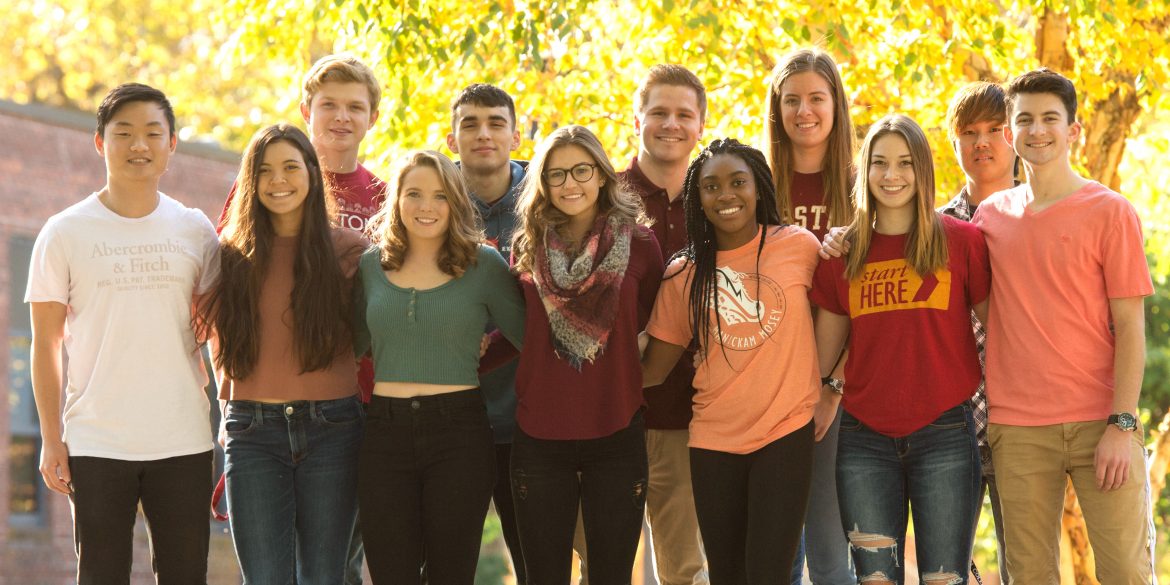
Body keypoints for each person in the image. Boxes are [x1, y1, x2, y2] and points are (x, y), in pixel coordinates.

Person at [26, 82, 219, 584]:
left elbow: (219, 332)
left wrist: (232, 420)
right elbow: (44, 344)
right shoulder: (64, 232)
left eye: (153, 133)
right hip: (96, 440)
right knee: (100, 575)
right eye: (124, 133)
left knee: (184, 575)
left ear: (172, 143)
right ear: (100, 142)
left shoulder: (196, 230)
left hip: (184, 437)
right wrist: (51, 439)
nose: (139, 145)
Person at [971, 68, 1155, 583]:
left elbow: (1130, 327)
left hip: (1102, 421)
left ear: (1073, 130)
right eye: (1024, 120)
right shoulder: (989, 218)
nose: (1037, 130)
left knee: (1124, 570)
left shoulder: (1110, 211)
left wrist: (1123, 423)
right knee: (1029, 575)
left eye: (1050, 118)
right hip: (1019, 427)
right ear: (1010, 134)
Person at [215, 53, 386, 584]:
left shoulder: (383, 202)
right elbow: (228, 311)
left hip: (345, 413)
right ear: (307, 110)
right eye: (328, 104)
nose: (340, 116)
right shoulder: (238, 234)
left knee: (333, 573)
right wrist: (227, 396)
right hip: (255, 420)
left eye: (354, 106)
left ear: (371, 117)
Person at [811, 115, 989, 585]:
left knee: (944, 579)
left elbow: (1002, 336)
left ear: (923, 171)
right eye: (880, 163)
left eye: (906, 163)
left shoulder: (962, 241)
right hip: (864, 438)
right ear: (864, 171)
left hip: (947, 433)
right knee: (875, 580)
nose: (892, 175)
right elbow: (821, 357)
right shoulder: (843, 255)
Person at [642, 138, 820, 585]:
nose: (726, 195)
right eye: (711, 186)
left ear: (758, 188)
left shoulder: (799, 246)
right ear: (696, 198)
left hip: (785, 430)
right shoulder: (684, 272)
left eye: (738, 182)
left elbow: (840, 315)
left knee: (769, 573)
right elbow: (654, 368)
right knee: (727, 574)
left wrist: (833, 385)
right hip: (713, 439)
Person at [355, 150, 526, 585]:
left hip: (459, 435)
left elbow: (530, 338)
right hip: (383, 434)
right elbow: (353, 346)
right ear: (397, 201)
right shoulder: (371, 266)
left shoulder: (484, 264)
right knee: (391, 574)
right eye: (413, 194)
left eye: (439, 196)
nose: (426, 207)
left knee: (452, 575)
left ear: (456, 202)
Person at [508, 125, 663, 585]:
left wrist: (637, 380)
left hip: (615, 429)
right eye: (557, 175)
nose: (570, 184)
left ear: (601, 175)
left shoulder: (639, 244)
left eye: (581, 170)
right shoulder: (526, 247)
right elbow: (521, 331)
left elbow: (657, 324)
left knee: (612, 575)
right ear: (542, 183)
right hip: (539, 435)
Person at [764, 47, 856, 585]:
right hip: (765, 381)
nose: (804, 111)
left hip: (837, 386)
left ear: (835, 104)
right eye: (791, 100)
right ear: (776, 108)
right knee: (773, 552)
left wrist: (831, 386)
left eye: (816, 98)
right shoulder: (755, 184)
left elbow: (872, 300)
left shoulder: (862, 183)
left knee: (828, 547)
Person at [618, 64, 709, 585]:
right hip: (610, 416)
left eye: (682, 114)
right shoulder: (604, 196)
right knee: (603, 566)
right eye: (658, 112)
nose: (670, 124)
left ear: (700, 124)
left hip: (690, 415)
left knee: (686, 569)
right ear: (638, 119)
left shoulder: (720, 198)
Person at [446, 82, 529, 583]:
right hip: (449, 417)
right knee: (443, 565)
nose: (484, 134)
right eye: (470, 124)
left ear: (516, 136)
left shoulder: (546, 202)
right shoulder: (429, 204)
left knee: (538, 564)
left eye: (496, 123)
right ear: (452, 139)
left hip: (528, 421)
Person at [940, 81, 1017, 582]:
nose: (982, 142)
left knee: (1028, 565)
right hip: (949, 426)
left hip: (1025, 421)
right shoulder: (933, 228)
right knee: (947, 570)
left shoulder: (1041, 217)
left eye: (994, 129)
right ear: (955, 145)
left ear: (1014, 137)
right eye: (970, 132)